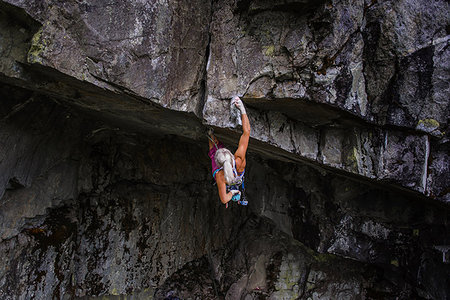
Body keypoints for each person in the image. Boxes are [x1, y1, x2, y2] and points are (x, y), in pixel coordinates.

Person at [207, 96, 251, 207]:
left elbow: (224, 199)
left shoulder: (219, 176)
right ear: (231, 156)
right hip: (234, 174)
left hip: (227, 176)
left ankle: (210, 135)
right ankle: (209, 135)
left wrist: (231, 193)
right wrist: (242, 109)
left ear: (219, 163)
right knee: (213, 152)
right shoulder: (238, 160)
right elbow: (247, 132)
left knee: (214, 151)